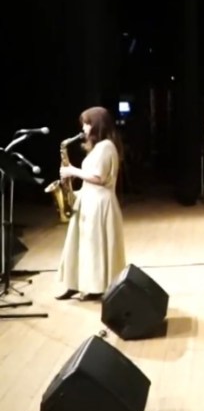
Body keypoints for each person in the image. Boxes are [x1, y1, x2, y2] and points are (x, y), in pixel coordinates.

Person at [56, 107, 127, 301]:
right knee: (78, 245)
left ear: (97, 125)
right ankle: (75, 283)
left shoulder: (106, 146)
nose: (84, 128)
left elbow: (99, 178)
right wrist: (71, 188)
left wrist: (72, 171)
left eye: (87, 124)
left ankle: (95, 288)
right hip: (88, 201)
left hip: (99, 205)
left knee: (95, 247)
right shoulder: (98, 148)